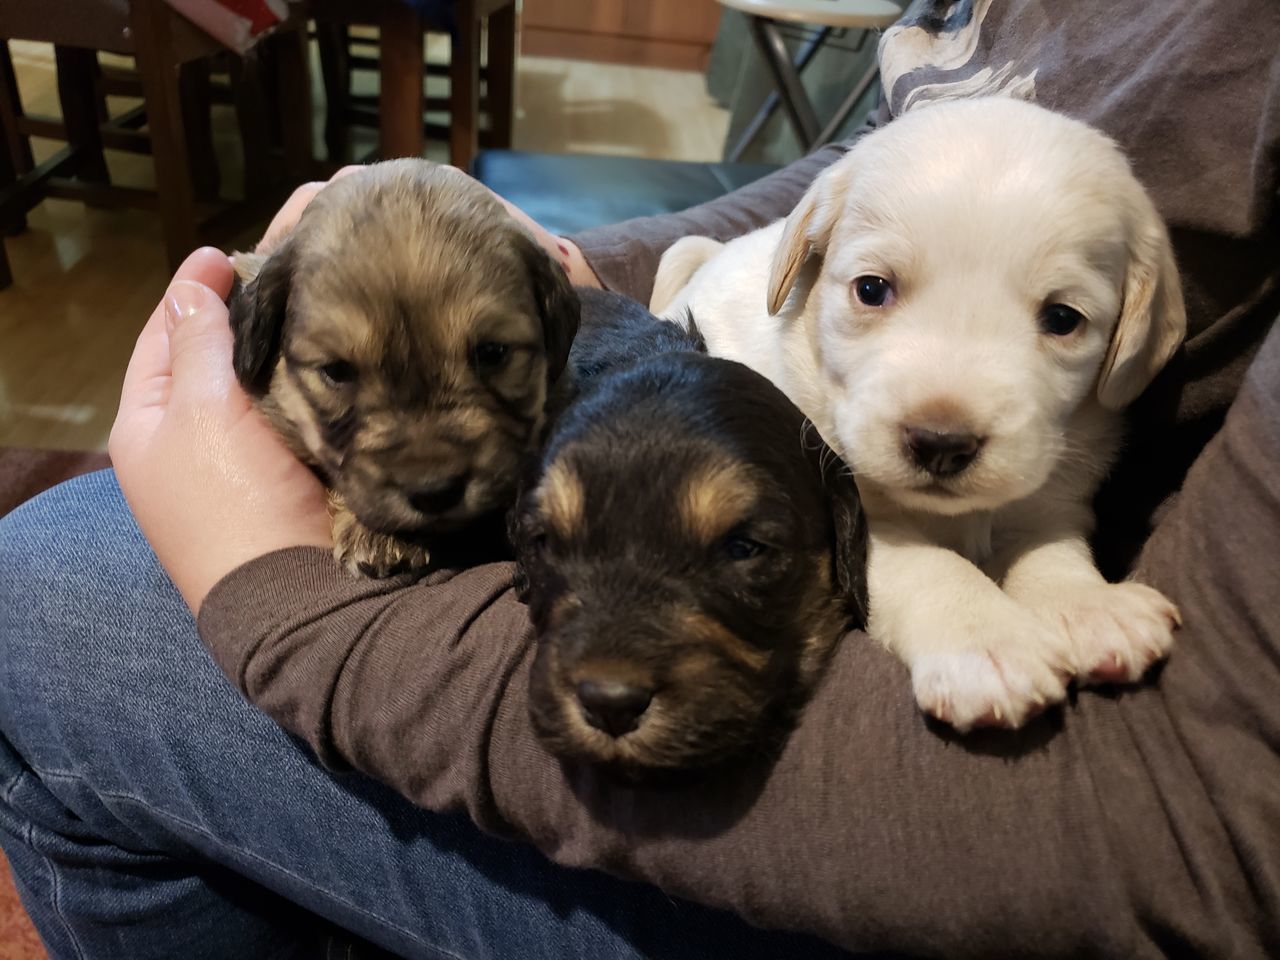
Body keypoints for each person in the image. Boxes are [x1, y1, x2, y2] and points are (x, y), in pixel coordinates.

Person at [1, 1, 1278, 957]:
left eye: (1062, 317)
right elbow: (856, 180)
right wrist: (541, 281)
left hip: (1033, 833)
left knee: (43, 612)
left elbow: (1201, 838)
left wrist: (291, 614)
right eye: (874, 293)